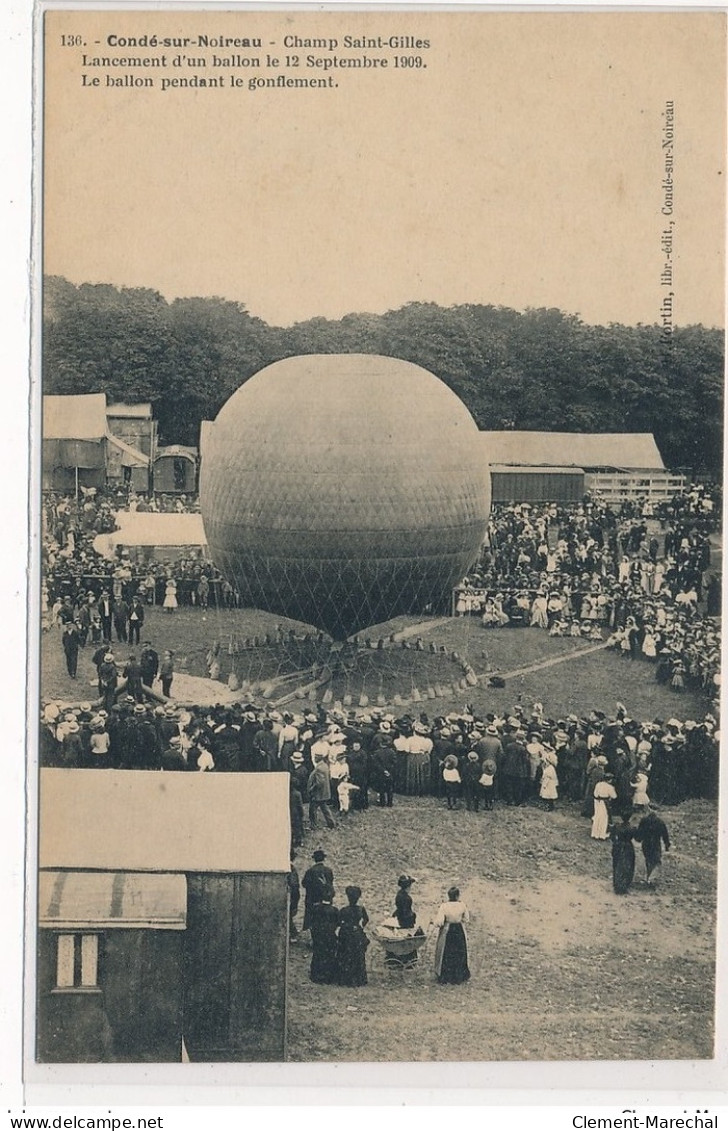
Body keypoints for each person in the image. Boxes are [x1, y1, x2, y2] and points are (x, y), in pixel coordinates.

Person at [433, 886, 471, 985]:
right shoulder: (462, 905)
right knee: (459, 952)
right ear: (458, 896)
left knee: (447, 952)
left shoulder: (444, 906)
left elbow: (440, 922)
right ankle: (459, 976)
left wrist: (436, 923)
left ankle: (446, 976)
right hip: (458, 930)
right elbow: (466, 919)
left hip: (448, 930)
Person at [337, 885, 369, 987]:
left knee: (346, 955)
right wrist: (360, 926)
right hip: (357, 933)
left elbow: (338, 922)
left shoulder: (344, 910)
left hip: (346, 933)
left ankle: (346, 979)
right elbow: (366, 919)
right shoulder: (360, 909)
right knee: (358, 956)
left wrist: (344, 926)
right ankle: (359, 979)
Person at [309, 895, 341, 985]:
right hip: (330, 936)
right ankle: (328, 976)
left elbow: (311, 923)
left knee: (318, 954)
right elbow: (338, 924)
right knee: (329, 955)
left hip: (318, 935)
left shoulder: (315, 908)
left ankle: (316, 975)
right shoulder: (334, 910)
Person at [634, 811, 671, 887]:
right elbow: (665, 835)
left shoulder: (644, 821)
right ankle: (652, 879)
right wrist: (667, 845)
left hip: (646, 844)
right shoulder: (660, 822)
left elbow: (639, 835)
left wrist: (637, 837)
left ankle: (648, 877)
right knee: (656, 861)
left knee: (648, 860)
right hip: (655, 844)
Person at [302, 849, 335, 931]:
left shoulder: (310, 871)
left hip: (313, 900)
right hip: (326, 899)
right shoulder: (328, 871)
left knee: (312, 921)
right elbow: (330, 883)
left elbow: (304, 884)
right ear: (323, 859)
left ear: (314, 859)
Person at [610, 813, 637, 894]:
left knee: (617, 865)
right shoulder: (632, 828)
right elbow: (637, 838)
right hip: (628, 847)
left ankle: (617, 885)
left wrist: (615, 842)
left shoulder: (617, 826)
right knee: (627, 866)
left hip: (618, 846)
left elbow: (612, 836)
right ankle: (624, 886)